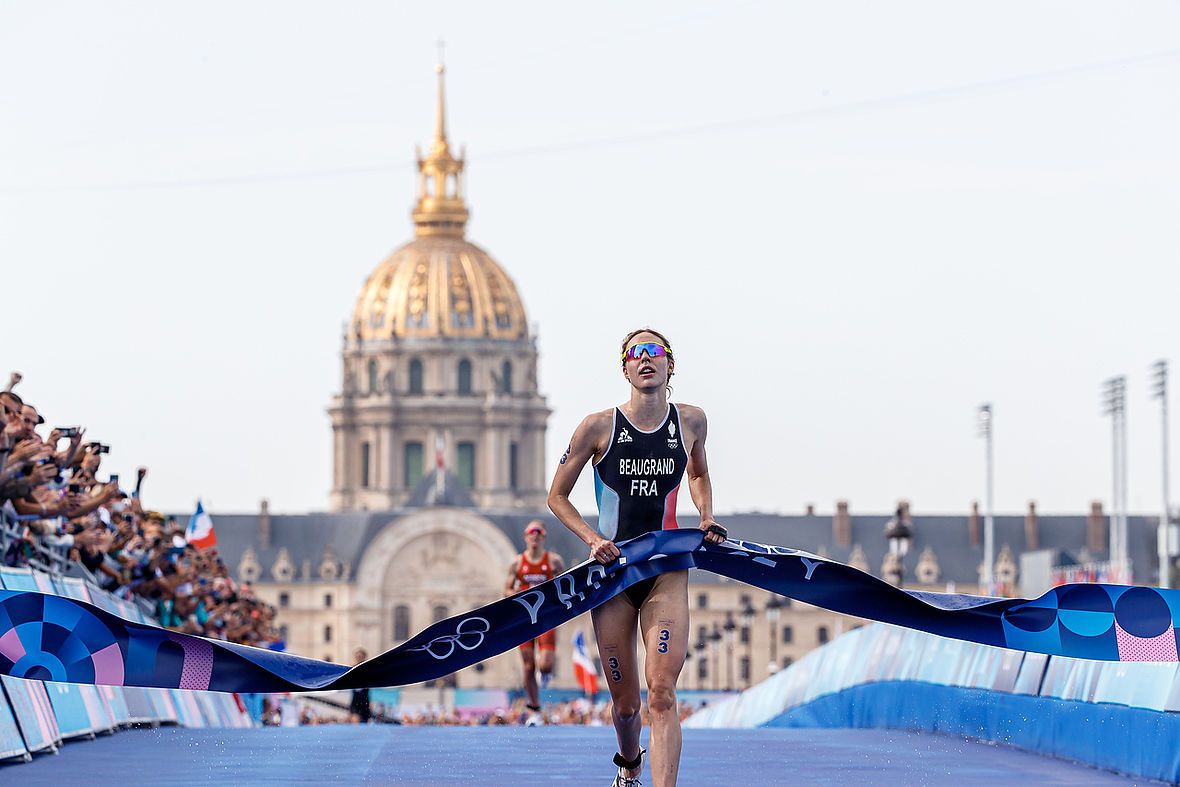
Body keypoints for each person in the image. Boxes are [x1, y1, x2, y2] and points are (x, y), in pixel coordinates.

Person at [548, 327, 726, 787]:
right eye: (635, 353)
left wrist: (706, 516)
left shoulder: (691, 422)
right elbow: (557, 496)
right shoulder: (597, 426)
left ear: (670, 365)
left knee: (662, 692)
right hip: (613, 574)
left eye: (655, 352)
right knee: (626, 705)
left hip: (665, 570)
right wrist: (591, 539)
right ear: (625, 368)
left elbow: (699, 474)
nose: (646, 359)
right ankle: (629, 764)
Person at [503, 520, 566, 726]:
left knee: (545, 664)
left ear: (543, 538)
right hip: (525, 620)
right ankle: (535, 709)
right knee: (528, 666)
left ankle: (545, 674)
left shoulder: (554, 561)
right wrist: (520, 594)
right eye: (531, 533)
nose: (535, 536)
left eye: (539, 533)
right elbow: (506, 590)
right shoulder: (517, 563)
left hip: (546, 617)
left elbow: (566, 583)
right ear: (526, 537)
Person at [348, 648, 372, 723]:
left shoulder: (368, 669)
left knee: (365, 722)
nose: (358, 658)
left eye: (360, 657)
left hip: (365, 699)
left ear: (364, 657)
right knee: (355, 720)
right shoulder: (351, 669)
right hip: (355, 699)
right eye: (357, 657)